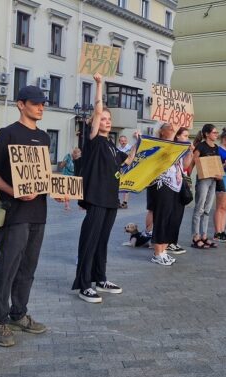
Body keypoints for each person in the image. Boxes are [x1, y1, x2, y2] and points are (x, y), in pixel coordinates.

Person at [0, 85, 50, 347]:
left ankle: (18, 314)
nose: (41, 107)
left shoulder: (44, 137)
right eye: (35, 103)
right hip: (14, 212)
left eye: (43, 103)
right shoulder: (7, 133)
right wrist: (13, 191)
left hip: (39, 213)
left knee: (28, 268)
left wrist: (58, 189)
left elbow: (42, 175)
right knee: (8, 267)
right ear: (21, 104)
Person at [73, 73, 136, 303]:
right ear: (95, 122)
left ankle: (100, 278)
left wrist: (141, 143)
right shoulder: (93, 140)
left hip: (110, 200)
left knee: (102, 240)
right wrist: (99, 85)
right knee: (90, 240)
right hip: (96, 198)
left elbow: (128, 160)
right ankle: (84, 284)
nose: (106, 121)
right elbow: (97, 112)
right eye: (103, 118)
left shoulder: (110, 145)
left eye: (110, 119)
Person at [149, 123, 190, 266]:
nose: (173, 129)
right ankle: (157, 252)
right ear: (162, 131)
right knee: (161, 218)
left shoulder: (177, 146)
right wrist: (174, 132)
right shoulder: (159, 144)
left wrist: (190, 151)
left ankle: (164, 250)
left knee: (171, 218)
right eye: (170, 128)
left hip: (175, 185)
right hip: (162, 185)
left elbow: (184, 165)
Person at [190, 124, 221, 249]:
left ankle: (204, 235)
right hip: (203, 180)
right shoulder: (201, 146)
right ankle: (195, 237)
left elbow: (217, 163)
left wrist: (219, 173)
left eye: (217, 132)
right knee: (199, 208)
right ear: (207, 134)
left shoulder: (216, 147)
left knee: (207, 209)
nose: (216, 134)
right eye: (214, 132)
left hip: (213, 179)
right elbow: (194, 161)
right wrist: (187, 178)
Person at [117, 135, 132, 208]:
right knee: (118, 184)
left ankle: (125, 202)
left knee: (126, 185)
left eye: (125, 141)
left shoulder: (130, 148)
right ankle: (118, 201)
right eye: (122, 141)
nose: (123, 142)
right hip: (119, 168)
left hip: (128, 168)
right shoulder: (118, 149)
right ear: (119, 141)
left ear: (127, 141)